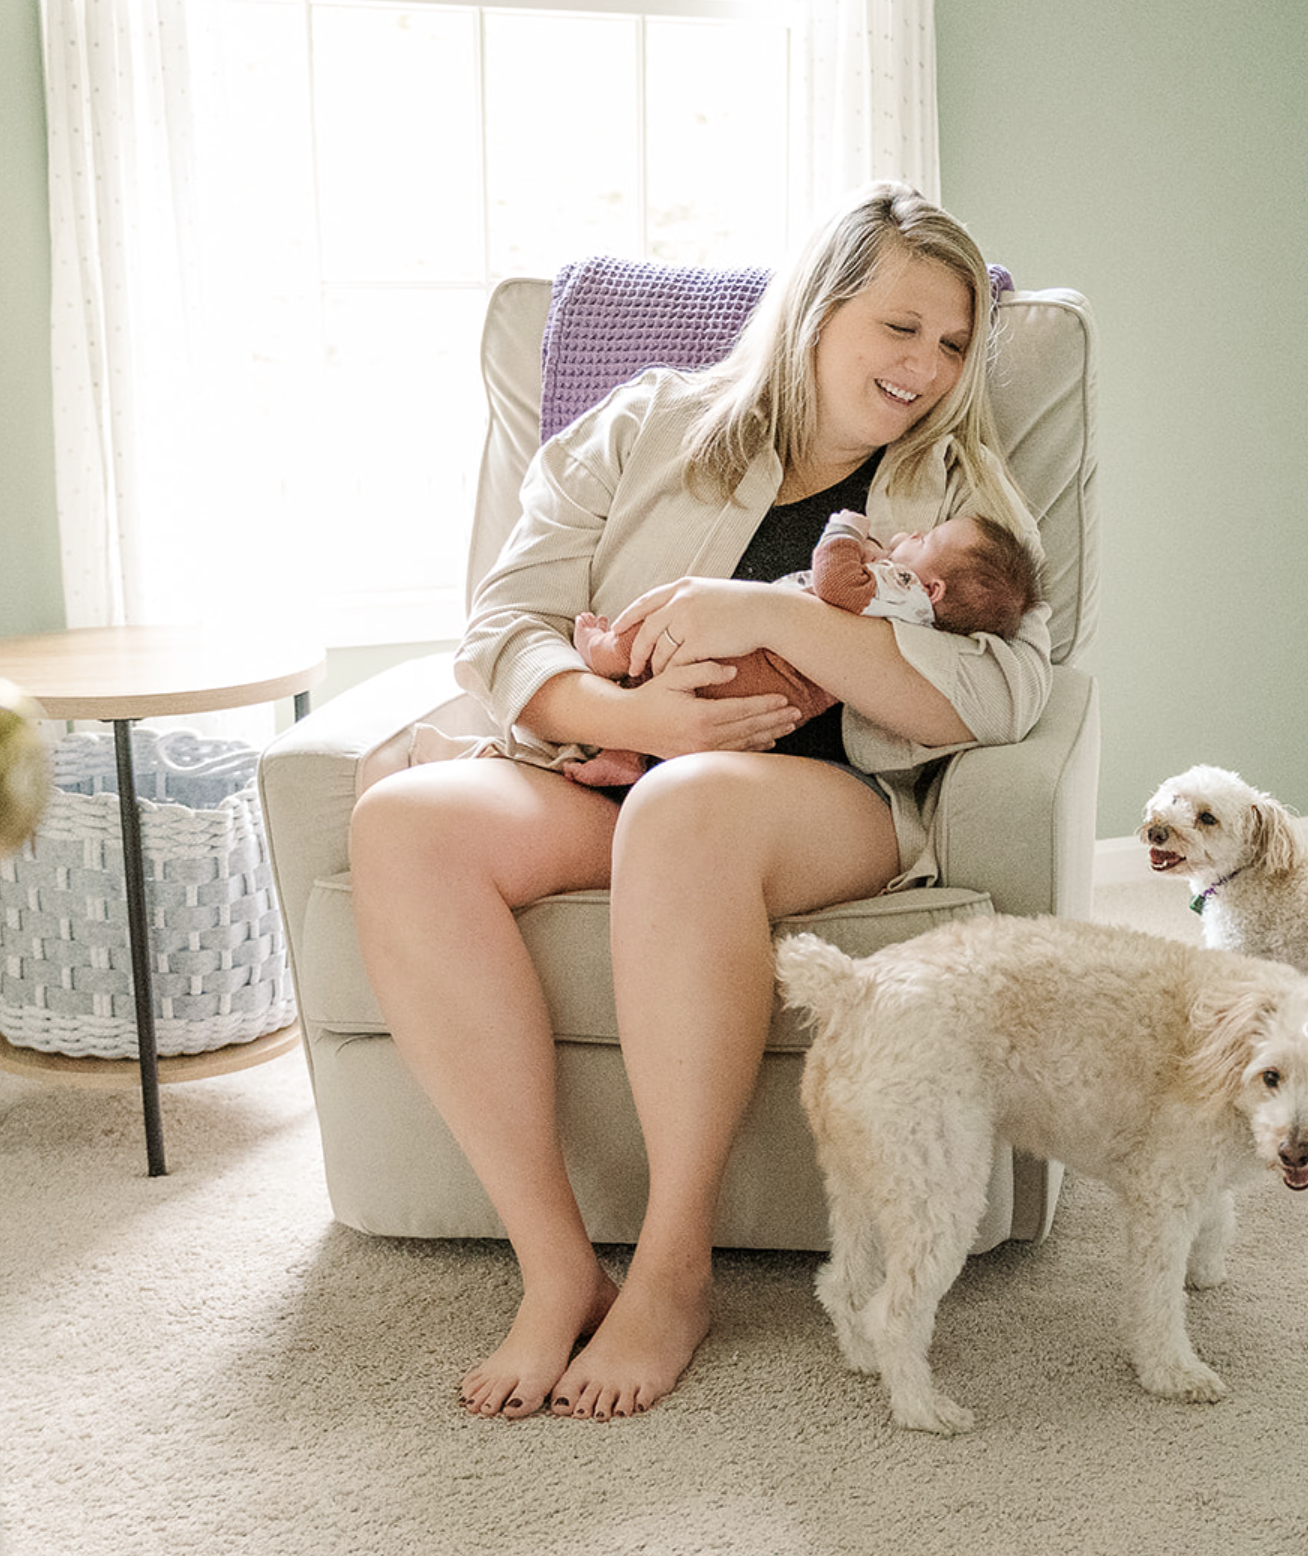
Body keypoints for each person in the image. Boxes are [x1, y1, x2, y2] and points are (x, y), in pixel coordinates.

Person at [346, 181, 1053, 1423]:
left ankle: (672, 1270)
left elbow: (1005, 691)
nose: (927, 367)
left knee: (691, 808)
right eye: (900, 328)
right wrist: (628, 719)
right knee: (404, 825)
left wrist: (771, 615)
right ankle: (557, 1265)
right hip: (607, 763)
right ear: (819, 310)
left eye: (953, 343)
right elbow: (506, 622)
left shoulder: (960, 484)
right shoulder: (648, 428)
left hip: (819, 800)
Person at [558, 507, 1041, 787]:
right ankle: (624, 757)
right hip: (786, 697)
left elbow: (835, 586)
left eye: (927, 537)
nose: (911, 534)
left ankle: (605, 651)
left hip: (765, 663)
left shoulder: (902, 588)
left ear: (932, 590)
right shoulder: (919, 616)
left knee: (665, 634)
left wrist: (845, 532)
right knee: (678, 689)